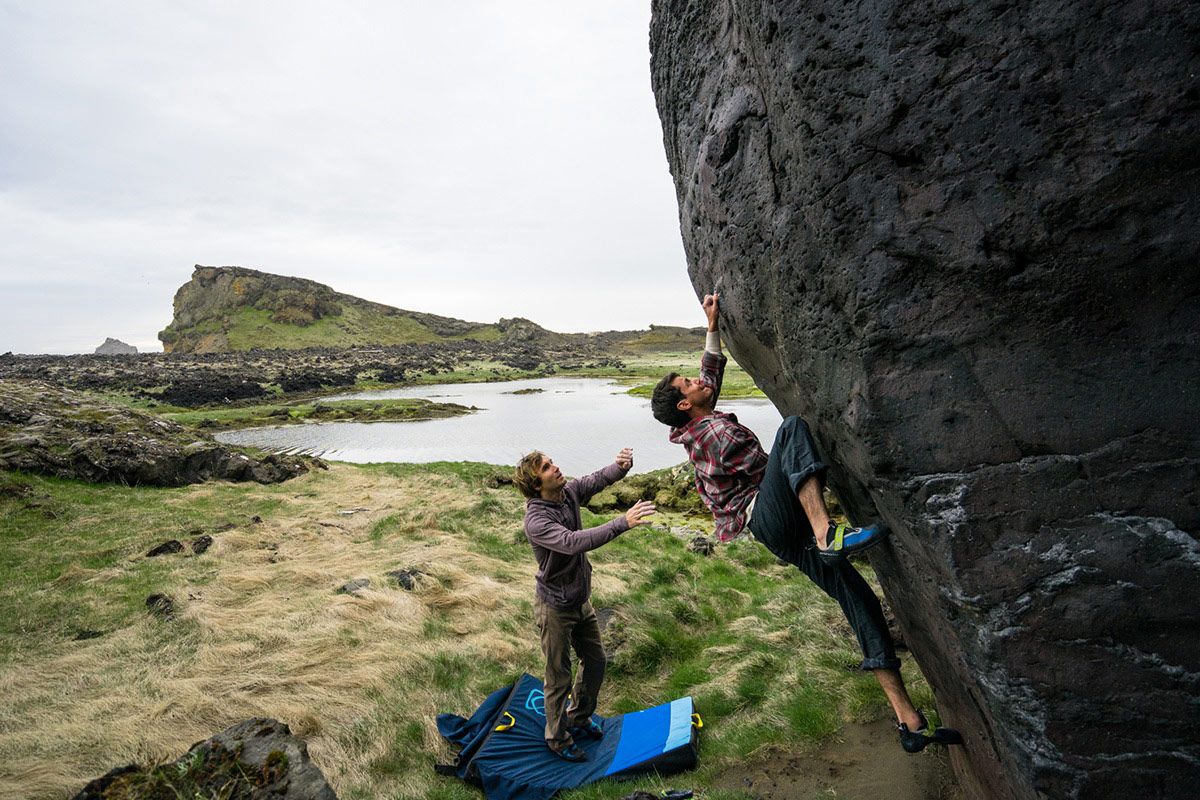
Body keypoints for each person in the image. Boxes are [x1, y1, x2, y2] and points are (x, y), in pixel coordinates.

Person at [650, 293, 962, 754]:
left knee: (859, 601)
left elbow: (710, 383)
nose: (698, 380)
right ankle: (827, 533)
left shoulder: (693, 426)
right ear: (683, 404)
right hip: (772, 517)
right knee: (793, 430)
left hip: (773, 533)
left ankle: (908, 721)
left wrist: (712, 327)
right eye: (688, 382)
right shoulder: (715, 433)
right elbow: (771, 468)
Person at [514, 447, 656, 762]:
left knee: (596, 662)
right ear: (537, 486)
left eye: (552, 462)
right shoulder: (536, 520)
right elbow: (573, 542)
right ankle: (557, 738)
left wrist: (619, 468)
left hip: (580, 599)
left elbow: (593, 481)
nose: (556, 467)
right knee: (558, 675)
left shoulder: (566, 493)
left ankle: (578, 717)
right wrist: (623, 522)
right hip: (555, 608)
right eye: (547, 467)